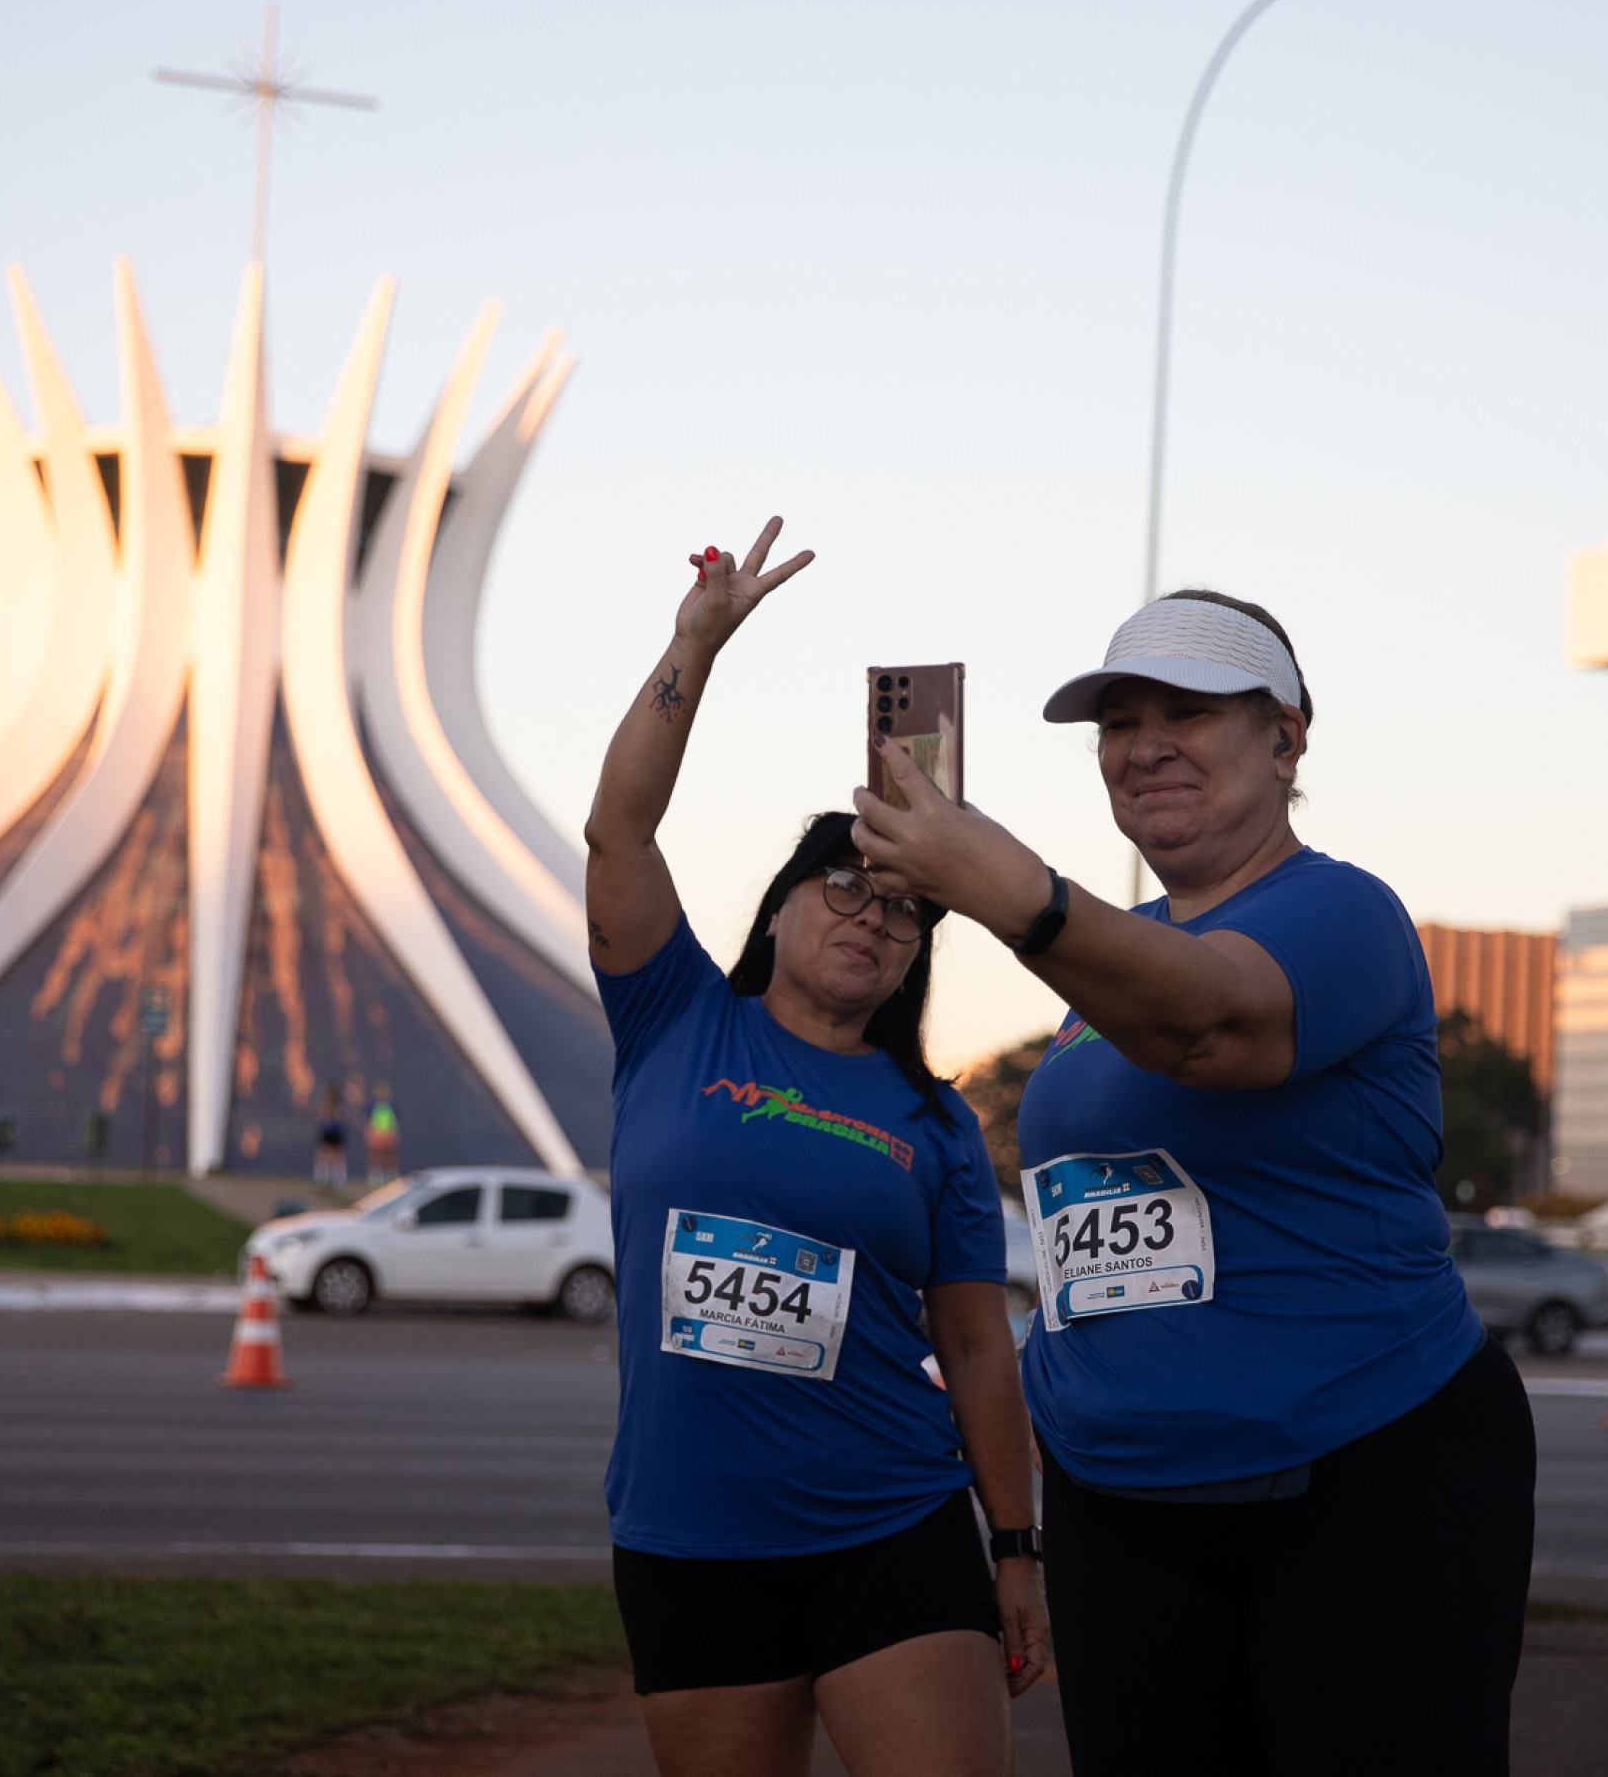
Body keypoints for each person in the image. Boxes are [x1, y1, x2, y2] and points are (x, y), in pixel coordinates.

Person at [850, 589, 1537, 1776]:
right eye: (1119, 722)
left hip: (1359, 1472)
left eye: (1189, 711)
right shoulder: (1107, 964)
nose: (1144, 744)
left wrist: (1013, 888)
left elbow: (1213, 1025)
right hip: (1123, 1500)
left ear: (1287, 734)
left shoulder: (1340, 910)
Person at [585, 518, 1049, 1777]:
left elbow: (972, 1345)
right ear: (779, 906)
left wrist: (1015, 1549)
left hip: (887, 1526)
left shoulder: (932, 1118)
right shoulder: (675, 1018)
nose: (872, 918)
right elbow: (620, 833)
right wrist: (696, 649)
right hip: (687, 1539)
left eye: (905, 910)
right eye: (843, 886)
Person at [312, 1084, 351, 1188]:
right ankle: (322, 1176)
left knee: (338, 1154)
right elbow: (320, 1116)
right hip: (328, 1131)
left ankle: (338, 1176)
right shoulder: (325, 1104)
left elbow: (343, 1116)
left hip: (337, 1131)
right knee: (325, 1153)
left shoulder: (340, 1105)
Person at [365, 1088, 401, 1184]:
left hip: (388, 1133)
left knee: (389, 1154)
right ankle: (376, 1174)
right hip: (376, 1134)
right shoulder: (373, 1107)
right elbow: (369, 1122)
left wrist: (394, 1134)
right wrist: (370, 1134)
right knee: (376, 1155)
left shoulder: (392, 1106)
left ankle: (391, 1174)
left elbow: (394, 1122)